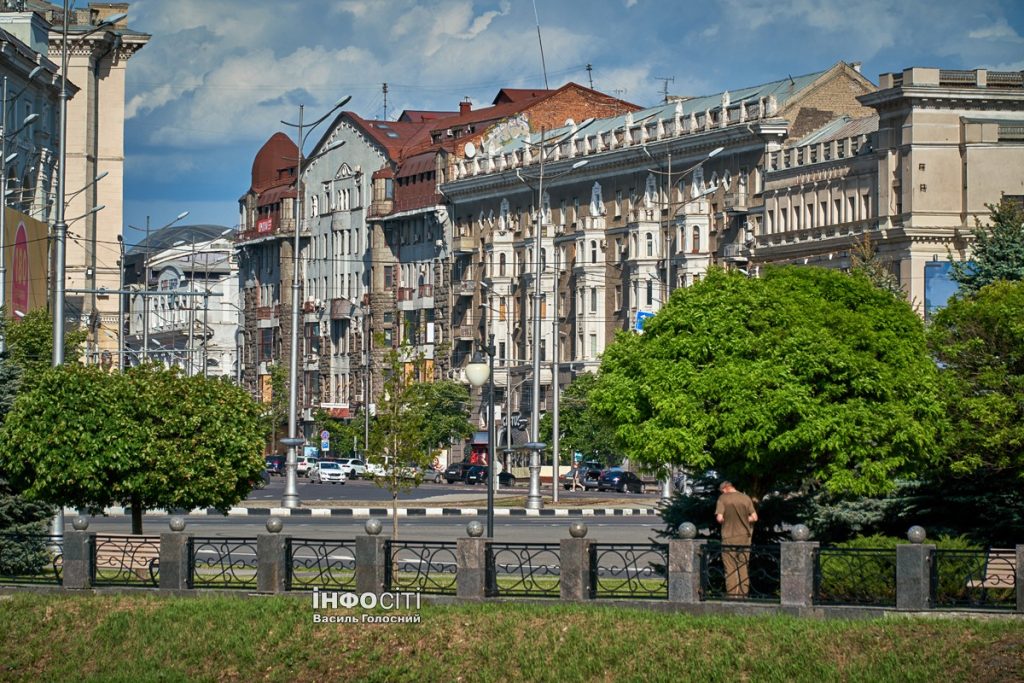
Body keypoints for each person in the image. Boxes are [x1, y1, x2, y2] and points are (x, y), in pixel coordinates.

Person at [714, 480, 758, 597]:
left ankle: (733, 595)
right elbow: (754, 517)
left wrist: (726, 520)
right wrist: (743, 519)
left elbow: (719, 518)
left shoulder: (723, 498)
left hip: (729, 536)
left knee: (730, 567)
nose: (722, 492)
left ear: (726, 488)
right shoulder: (745, 498)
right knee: (743, 566)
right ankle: (744, 595)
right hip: (744, 537)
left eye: (722, 490)